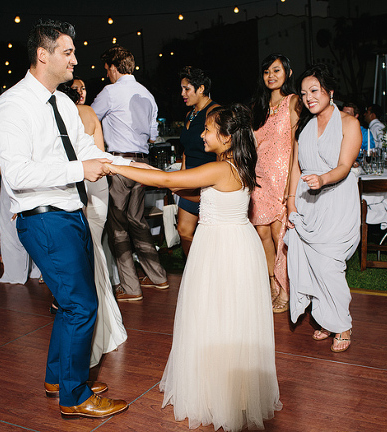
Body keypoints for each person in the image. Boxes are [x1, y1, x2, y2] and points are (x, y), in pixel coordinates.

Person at [100, 103, 281, 431]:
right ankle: (232, 392)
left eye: (208, 129)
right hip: (236, 245)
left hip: (220, 248)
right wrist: (175, 186)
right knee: (228, 320)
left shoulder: (220, 169)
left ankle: (220, 394)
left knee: (213, 316)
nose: (202, 134)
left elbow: (168, 178)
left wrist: (117, 166)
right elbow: (197, 193)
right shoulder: (233, 166)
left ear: (226, 137)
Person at [0, 19, 132, 418]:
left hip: (72, 213)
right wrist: (77, 171)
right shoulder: (11, 106)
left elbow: (87, 149)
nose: (75, 59)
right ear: (43, 55)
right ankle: (75, 396)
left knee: (73, 303)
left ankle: (58, 377)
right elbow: (17, 175)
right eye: (67, 52)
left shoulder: (63, 103)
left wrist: (138, 169)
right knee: (81, 305)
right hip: (43, 219)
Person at [286, 65, 361, 353]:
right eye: (304, 93)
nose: (308, 97)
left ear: (330, 91)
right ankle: (326, 318)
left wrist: (323, 178)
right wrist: (291, 201)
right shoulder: (304, 127)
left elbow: (344, 166)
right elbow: (296, 166)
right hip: (308, 201)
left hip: (337, 198)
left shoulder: (349, 123)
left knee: (329, 264)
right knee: (312, 264)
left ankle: (342, 323)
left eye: (314, 90)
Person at [92, 45, 168, 301]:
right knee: (138, 220)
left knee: (118, 226)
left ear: (113, 68)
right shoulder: (147, 94)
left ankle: (131, 287)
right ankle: (158, 277)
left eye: (107, 71)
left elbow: (90, 120)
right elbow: (154, 135)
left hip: (119, 164)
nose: (107, 76)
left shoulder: (110, 92)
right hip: (142, 164)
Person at [59, 81, 125, 367]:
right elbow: (99, 150)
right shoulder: (90, 113)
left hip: (79, 182)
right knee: (94, 248)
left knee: (87, 253)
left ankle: (94, 324)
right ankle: (102, 321)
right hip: (98, 181)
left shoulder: (63, 116)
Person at [248, 54, 302, 313]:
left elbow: (295, 147)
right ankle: (271, 281)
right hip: (259, 179)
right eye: (267, 71)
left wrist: (291, 187)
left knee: (281, 236)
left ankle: (286, 288)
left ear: (287, 73)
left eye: (276, 70)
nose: (271, 75)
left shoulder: (293, 102)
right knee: (261, 233)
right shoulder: (256, 107)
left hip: (282, 179)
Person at [173, 66, 219, 254]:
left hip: (207, 177)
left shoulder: (215, 112)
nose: (182, 93)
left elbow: (221, 149)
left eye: (187, 89)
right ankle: (195, 272)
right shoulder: (189, 114)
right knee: (184, 231)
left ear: (200, 89)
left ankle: (212, 275)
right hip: (190, 177)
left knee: (209, 233)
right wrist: (183, 174)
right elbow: (186, 149)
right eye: (182, 89)